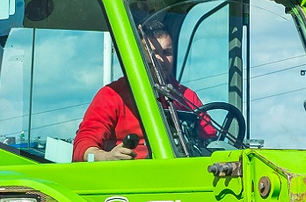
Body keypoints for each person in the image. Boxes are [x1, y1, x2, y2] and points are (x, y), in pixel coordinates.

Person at [72, 21, 216, 162]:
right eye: (153, 53)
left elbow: (211, 143)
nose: (161, 59)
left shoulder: (187, 97)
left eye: (167, 53)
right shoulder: (112, 95)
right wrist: (106, 157)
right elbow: (82, 147)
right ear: (139, 56)